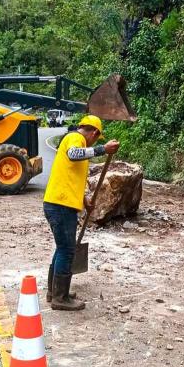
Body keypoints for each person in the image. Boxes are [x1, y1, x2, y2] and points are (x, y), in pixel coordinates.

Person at [43, 115, 119, 311]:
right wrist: (103, 149)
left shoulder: (79, 145)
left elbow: (71, 179)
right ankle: (60, 298)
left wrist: (85, 201)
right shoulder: (75, 139)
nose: (94, 142)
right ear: (94, 133)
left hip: (61, 203)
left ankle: (55, 292)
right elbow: (73, 154)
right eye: (96, 139)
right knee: (67, 250)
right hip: (60, 205)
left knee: (62, 248)